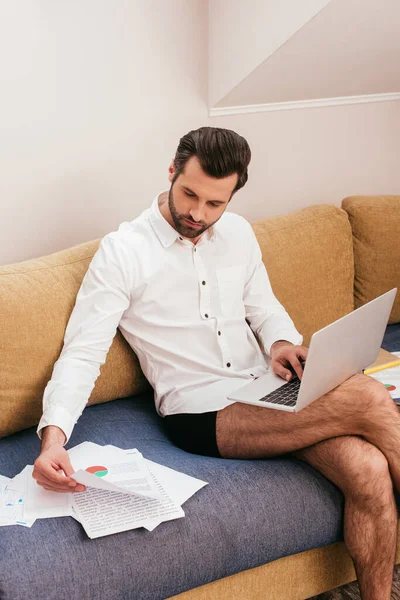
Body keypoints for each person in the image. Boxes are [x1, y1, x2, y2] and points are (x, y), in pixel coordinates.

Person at [33, 126, 398, 600]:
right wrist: (52, 439)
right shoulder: (123, 252)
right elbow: (83, 353)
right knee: (368, 397)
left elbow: (263, 307)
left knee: (367, 466)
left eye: (214, 204)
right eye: (189, 194)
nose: (196, 213)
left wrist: (282, 344)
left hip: (266, 390)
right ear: (171, 171)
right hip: (202, 413)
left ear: (233, 194)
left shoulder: (239, 234)